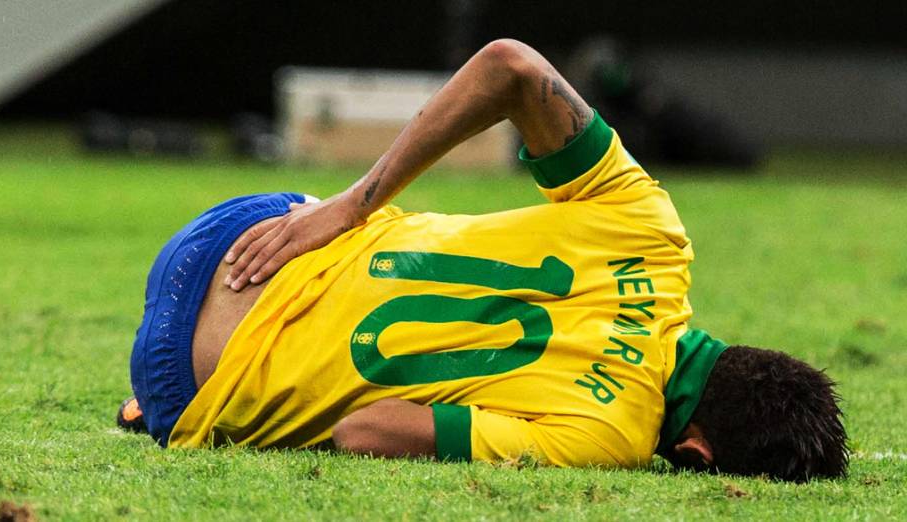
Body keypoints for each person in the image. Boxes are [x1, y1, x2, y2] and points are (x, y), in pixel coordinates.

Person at [122, 39, 847, 482]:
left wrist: (351, 204)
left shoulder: (654, 233)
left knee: (383, 237)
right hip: (182, 377)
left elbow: (510, 66)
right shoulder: (607, 439)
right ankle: (145, 405)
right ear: (697, 452)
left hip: (243, 232)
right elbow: (364, 433)